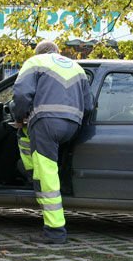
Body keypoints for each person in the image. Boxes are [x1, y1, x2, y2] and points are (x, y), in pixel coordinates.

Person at [12, 40, 93, 244]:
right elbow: (89, 105)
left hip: (46, 124)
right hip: (72, 126)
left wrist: (19, 117)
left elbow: (21, 95)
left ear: (39, 52)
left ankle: (55, 231)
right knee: (35, 150)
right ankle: (34, 174)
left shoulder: (35, 62)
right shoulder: (77, 67)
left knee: (47, 176)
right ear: (57, 52)